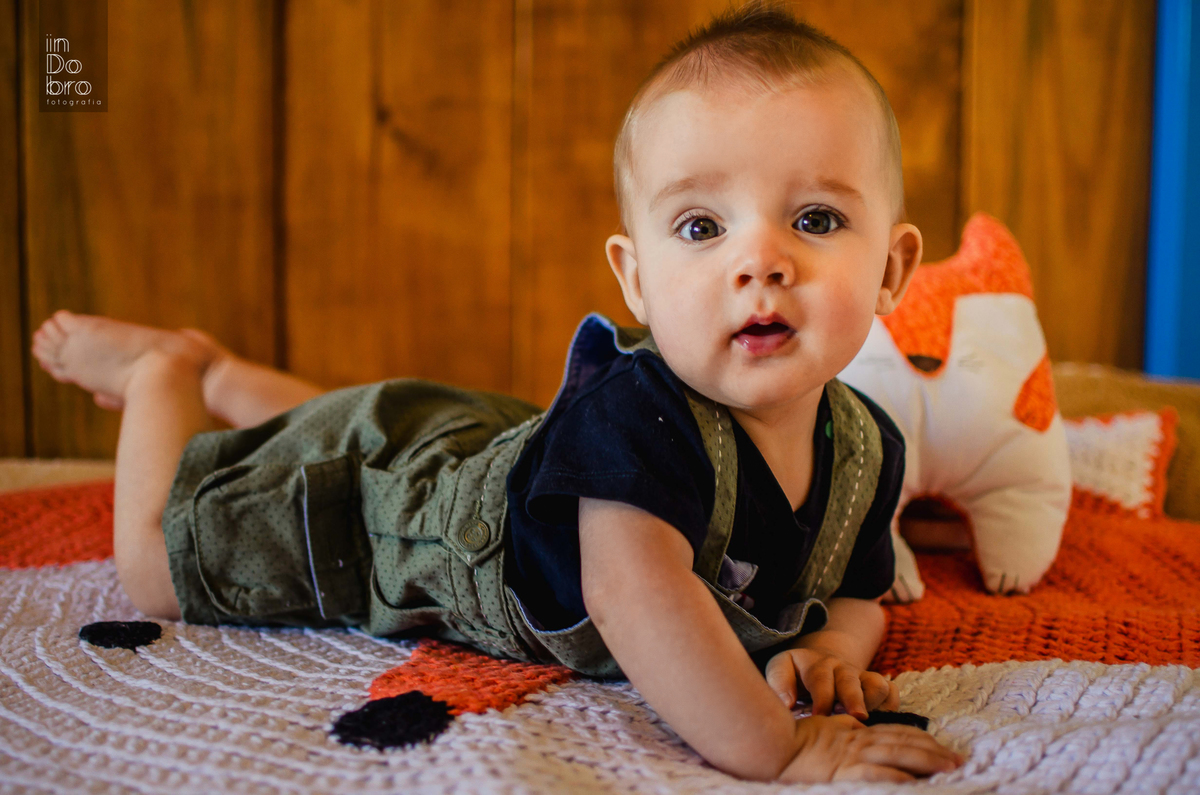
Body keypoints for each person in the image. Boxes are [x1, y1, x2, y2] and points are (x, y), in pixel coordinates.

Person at [31, 2, 962, 784]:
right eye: (701, 225)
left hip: (495, 450)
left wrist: (832, 656)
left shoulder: (866, 447)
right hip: (396, 519)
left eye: (815, 218)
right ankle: (172, 374)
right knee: (164, 565)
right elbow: (636, 591)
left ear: (891, 267)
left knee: (391, 429)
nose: (761, 260)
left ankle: (234, 379)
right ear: (635, 280)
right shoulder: (638, 421)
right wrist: (786, 745)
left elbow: (855, 589)